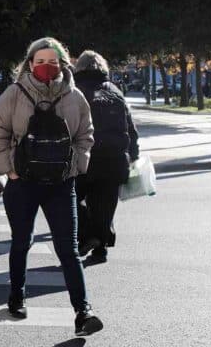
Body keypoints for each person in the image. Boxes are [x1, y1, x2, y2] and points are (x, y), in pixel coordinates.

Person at [0, 37, 103, 336]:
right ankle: (17, 295)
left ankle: (83, 311)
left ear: (63, 63)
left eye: (52, 61)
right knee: (21, 242)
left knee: (68, 249)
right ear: (29, 64)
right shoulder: (14, 94)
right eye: (39, 62)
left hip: (61, 185)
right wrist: (7, 170)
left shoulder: (75, 96)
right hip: (22, 183)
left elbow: (85, 134)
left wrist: (77, 166)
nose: (46, 67)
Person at [73, 50, 139, 263]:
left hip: (85, 158)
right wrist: (133, 156)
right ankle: (101, 247)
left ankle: (88, 235)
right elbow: (130, 129)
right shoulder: (116, 92)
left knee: (72, 200)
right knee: (105, 205)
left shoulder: (75, 92)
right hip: (115, 159)